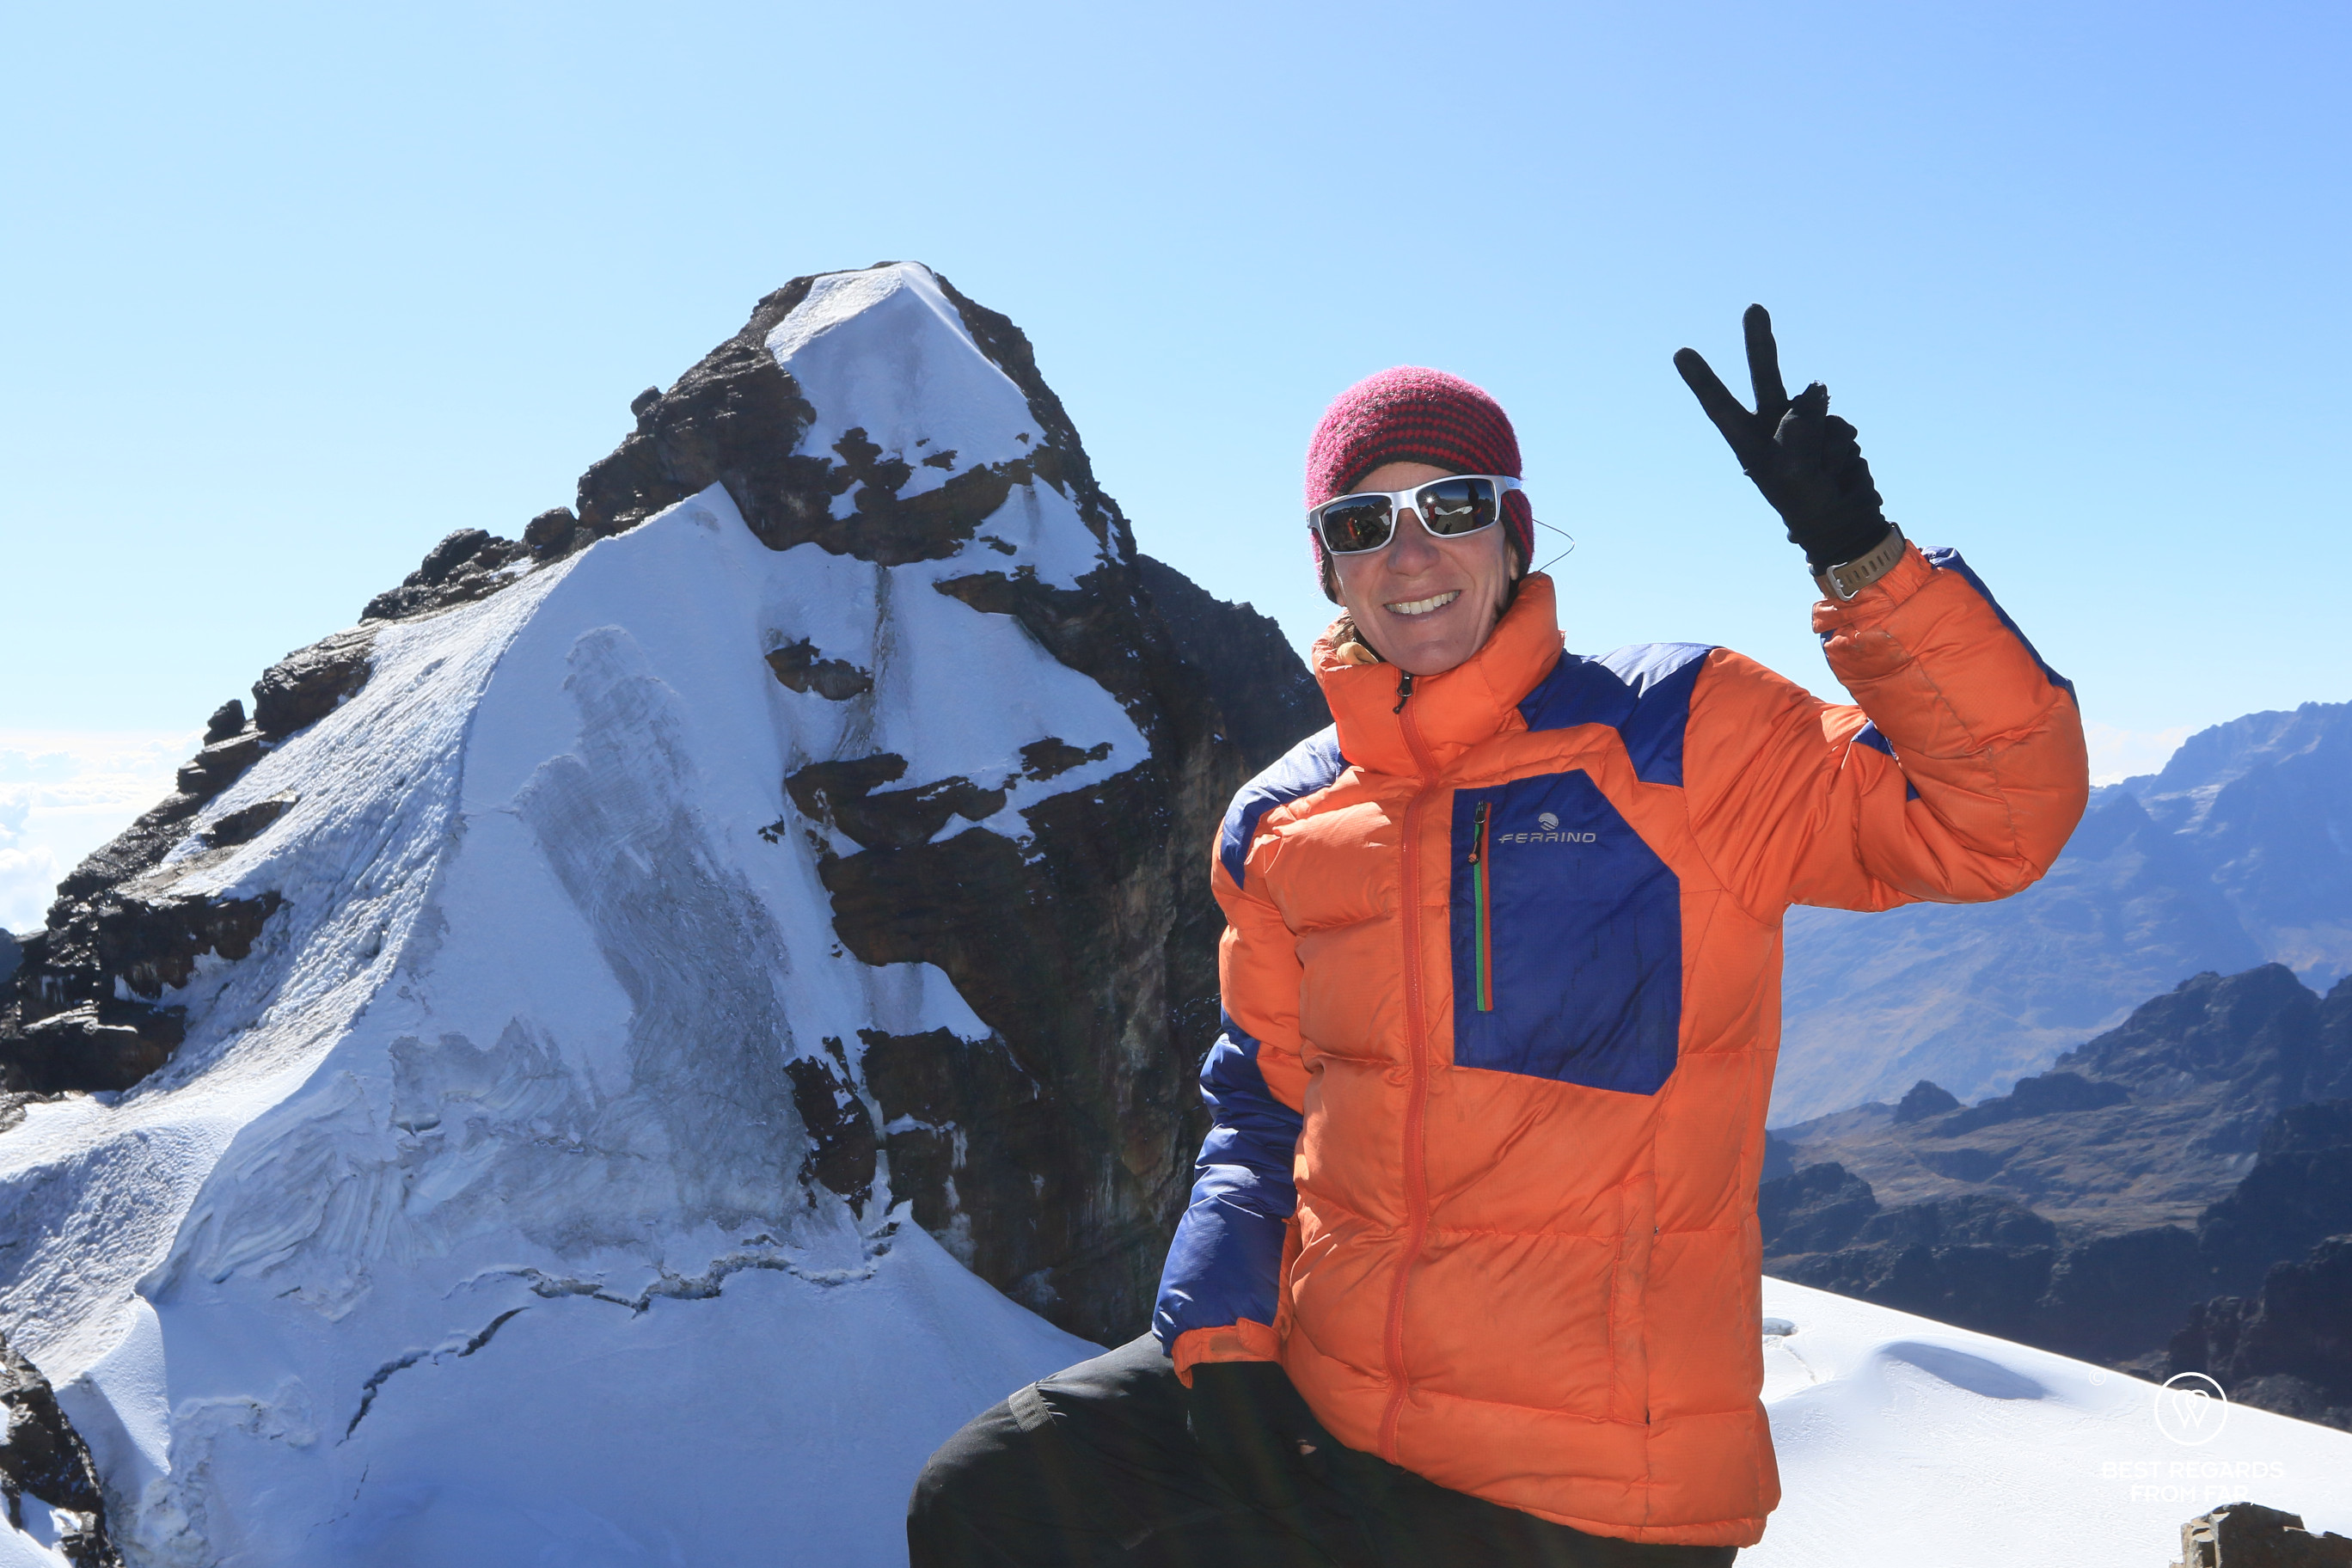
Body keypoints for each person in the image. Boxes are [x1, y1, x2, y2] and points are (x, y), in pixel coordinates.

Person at [908, 308, 2089, 1565]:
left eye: (1452, 507)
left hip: (1586, 1480)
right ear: (1328, 567)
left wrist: (1860, 557)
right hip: (1329, 1392)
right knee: (989, 1501)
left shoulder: (1683, 732)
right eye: (1362, 524)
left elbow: (1995, 821)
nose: (1410, 554)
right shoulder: (1283, 816)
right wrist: (1225, 1334)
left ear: (1513, 530)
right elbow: (1264, 1109)